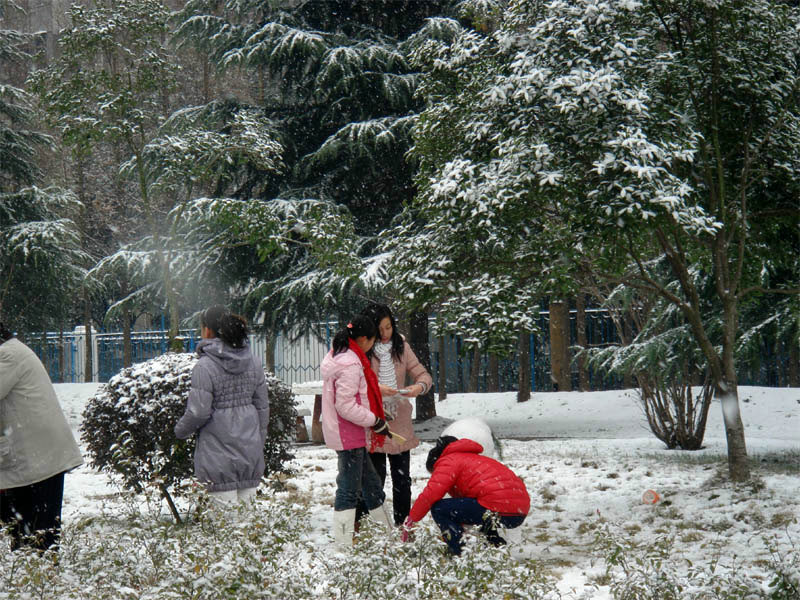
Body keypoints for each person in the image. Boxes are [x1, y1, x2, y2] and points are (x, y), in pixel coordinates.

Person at [0, 322, 84, 551]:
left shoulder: (7, 355)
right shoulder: (13, 351)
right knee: (30, 531)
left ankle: (40, 580)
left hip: (38, 460)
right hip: (36, 458)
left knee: (36, 536)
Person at [174, 305, 269, 504]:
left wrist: (179, 431)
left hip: (217, 457)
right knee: (249, 526)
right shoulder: (254, 362)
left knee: (224, 528)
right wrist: (257, 440)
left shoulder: (205, 366)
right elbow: (262, 408)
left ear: (207, 330)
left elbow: (198, 412)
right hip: (249, 454)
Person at [356, 303, 432, 527]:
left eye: (388, 327)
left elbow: (423, 374)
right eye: (380, 330)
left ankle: (402, 525)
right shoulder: (362, 348)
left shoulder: (401, 345)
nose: (385, 334)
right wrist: (377, 389)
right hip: (374, 420)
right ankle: (368, 524)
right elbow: (356, 382)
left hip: (399, 420)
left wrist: (419, 387)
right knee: (374, 479)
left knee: (402, 479)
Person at [320, 315, 393, 545]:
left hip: (350, 432)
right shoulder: (351, 363)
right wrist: (374, 420)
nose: (373, 345)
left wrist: (377, 414)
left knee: (371, 485)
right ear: (363, 339)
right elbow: (346, 405)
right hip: (348, 433)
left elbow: (356, 398)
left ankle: (386, 536)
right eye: (372, 340)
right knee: (348, 490)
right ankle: (343, 545)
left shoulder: (339, 353)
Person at [402, 435, 530, 556]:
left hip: (498, 508)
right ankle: (496, 546)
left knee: (439, 508)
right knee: (477, 510)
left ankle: (460, 552)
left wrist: (412, 519)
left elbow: (430, 494)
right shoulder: (475, 459)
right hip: (517, 512)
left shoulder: (449, 461)